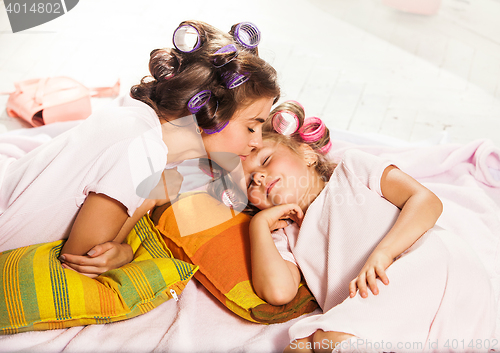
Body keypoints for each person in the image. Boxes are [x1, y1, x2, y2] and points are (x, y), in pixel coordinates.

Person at [0, 20, 280, 278]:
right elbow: (82, 260)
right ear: (210, 111)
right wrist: (124, 253)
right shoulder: (140, 147)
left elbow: (109, 235)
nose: (256, 141)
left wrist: (129, 234)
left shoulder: (145, 129)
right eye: (252, 126)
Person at [241, 102, 496, 352]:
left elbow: (426, 201)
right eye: (250, 181)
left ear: (306, 153)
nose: (259, 177)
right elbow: (279, 291)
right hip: (392, 313)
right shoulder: (285, 237)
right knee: (300, 346)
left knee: (321, 339)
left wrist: (384, 253)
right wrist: (259, 226)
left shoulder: (350, 171)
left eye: (265, 160)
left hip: (431, 266)